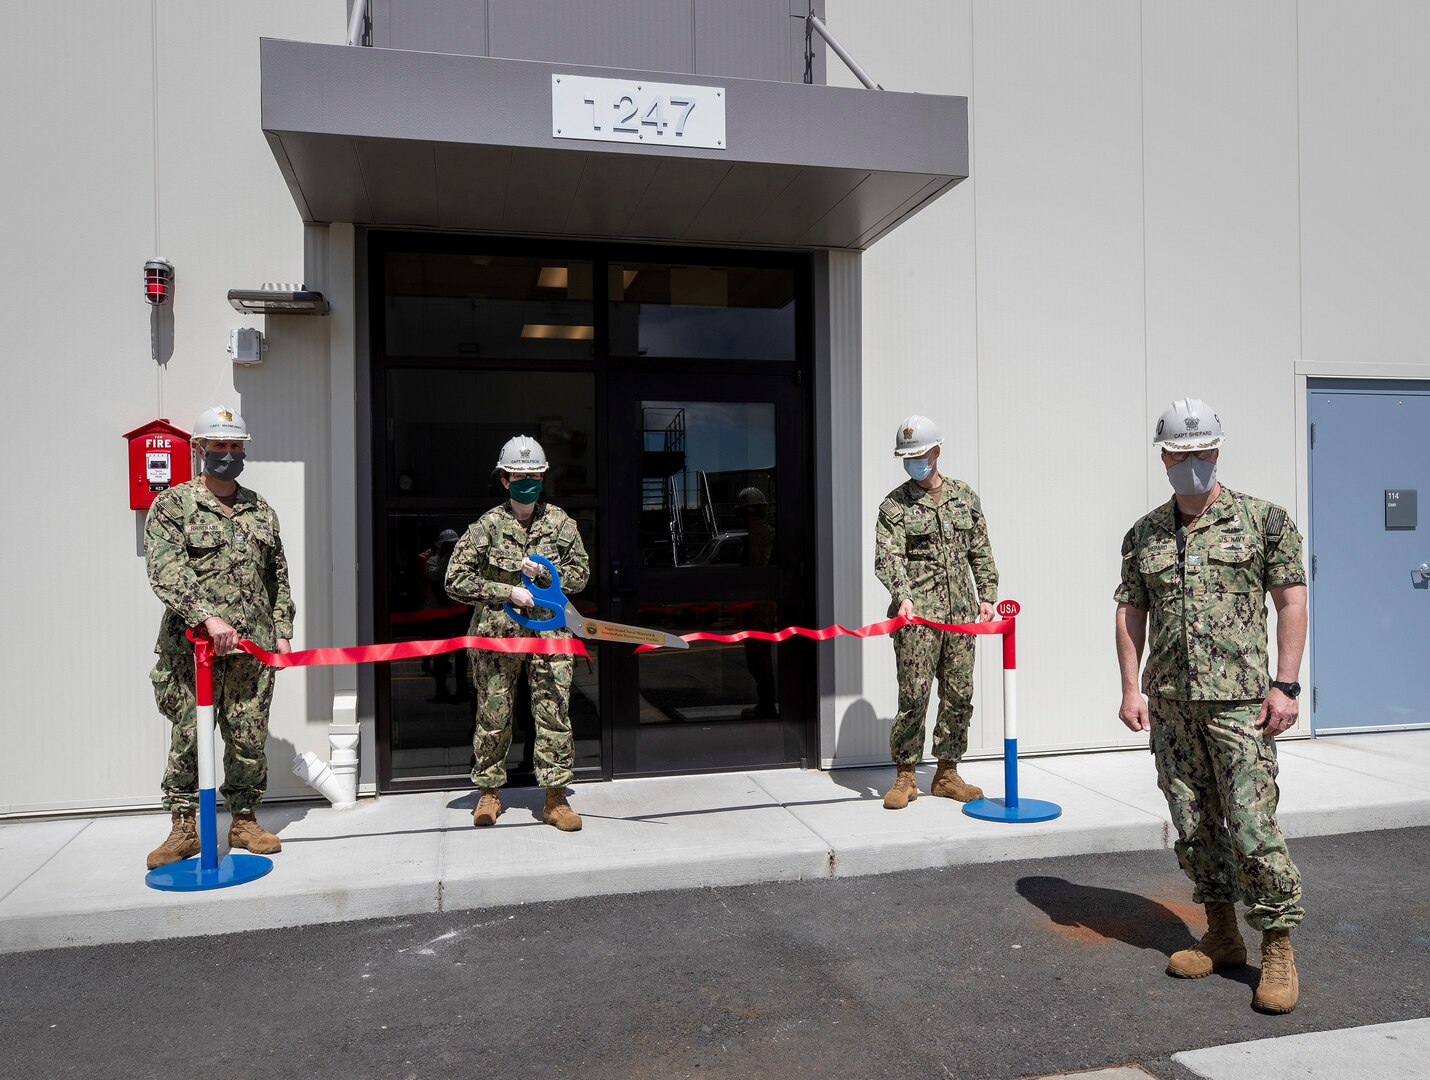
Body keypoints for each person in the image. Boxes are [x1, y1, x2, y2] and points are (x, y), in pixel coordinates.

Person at [1114, 397, 1307, 1014]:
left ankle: (1276, 945)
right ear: (1164, 456)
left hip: (1241, 706)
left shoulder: (1262, 521)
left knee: (1253, 826)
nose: (1192, 461)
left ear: (1217, 451)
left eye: (1202, 451)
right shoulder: (1143, 533)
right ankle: (1222, 933)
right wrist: (1130, 688)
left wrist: (1287, 684)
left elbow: (1291, 601)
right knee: (1194, 825)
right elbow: (1130, 612)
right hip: (1172, 706)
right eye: (1180, 452)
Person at [143, 405, 294, 868]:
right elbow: (165, 569)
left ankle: (244, 819)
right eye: (219, 446)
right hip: (195, 653)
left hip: (253, 651)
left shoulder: (259, 509)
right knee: (189, 736)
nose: (227, 454)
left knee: (247, 736)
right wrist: (207, 617)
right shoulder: (173, 505)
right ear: (199, 449)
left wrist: (283, 630)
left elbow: (277, 576)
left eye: (235, 447)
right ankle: (184, 828)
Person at [445, 435, 590, 831]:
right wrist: (505, 590)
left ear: (543, 479)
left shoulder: (561, 524)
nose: (527, 481)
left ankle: (556, 799)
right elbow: (454, 579)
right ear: (505, 480)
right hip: (498, 637)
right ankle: (489, 793)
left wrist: (545, 574)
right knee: (493, 716)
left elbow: (580, 575)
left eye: (535, 475)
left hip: (549, 636)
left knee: (554, 714)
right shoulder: (486, 528)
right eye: (519, 475)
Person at [874, 415, 998, 811]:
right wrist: (903, 595)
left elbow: (979, 549)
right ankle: (906, 776)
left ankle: (946, 773)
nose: (915, 462)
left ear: (937, 451)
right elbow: (888, 557)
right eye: (907, 457)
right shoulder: (894, 506)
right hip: (917, 619)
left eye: (920, 455)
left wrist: (988, 594)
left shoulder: (964, 496)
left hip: (961, 615)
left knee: (960, 693)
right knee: (914, 695)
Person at [424, 529, 470, 704]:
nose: (452, 547)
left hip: (457, 612)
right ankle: (441, 690)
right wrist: (445, 558)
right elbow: (435, 576)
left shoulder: (462, 561)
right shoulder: (432, 561)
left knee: (461, 654)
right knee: (440, 654)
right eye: (448, 545)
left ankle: (462, 689)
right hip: (439, 614)